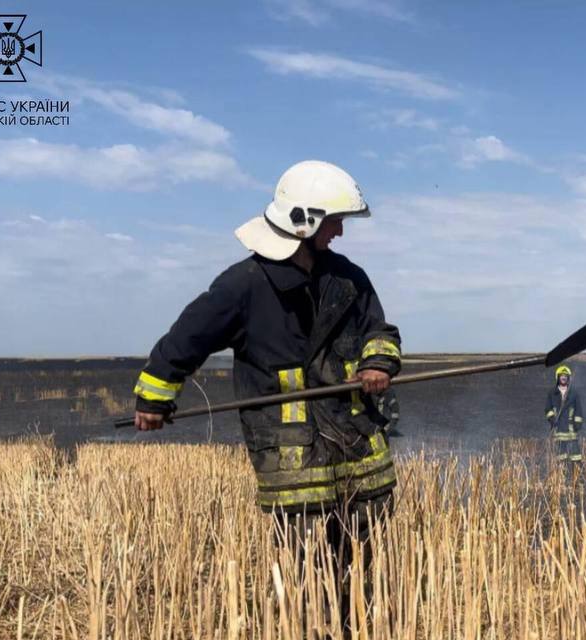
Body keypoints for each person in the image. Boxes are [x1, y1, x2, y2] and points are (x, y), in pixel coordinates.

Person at [131, 160, 401, 573]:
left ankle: (359, 633)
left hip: (355, 445)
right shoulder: (244, 286)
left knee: (360, 565)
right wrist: (154, 398)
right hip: (293, 458)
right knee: (304, 568)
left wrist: (378, 362)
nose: (341, 232)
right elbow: (185, 341)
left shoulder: (348, 279)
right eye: (335, 221)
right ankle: (307, 636)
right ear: (304, 223)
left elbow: (378, 330)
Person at [544, 365, 583, 465]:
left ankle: (576, 470)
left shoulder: (574, 393)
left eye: (565, 376)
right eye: (562, 375)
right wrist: (552, 419)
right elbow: (548, 409)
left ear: (568, 378)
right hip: (559, 427)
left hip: (571, 428)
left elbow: (579, 410)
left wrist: (577, 423)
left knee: (575, 453)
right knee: (561, 454)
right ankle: (562, 470)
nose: (564, 377)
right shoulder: (552, 393)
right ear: (558, 377)